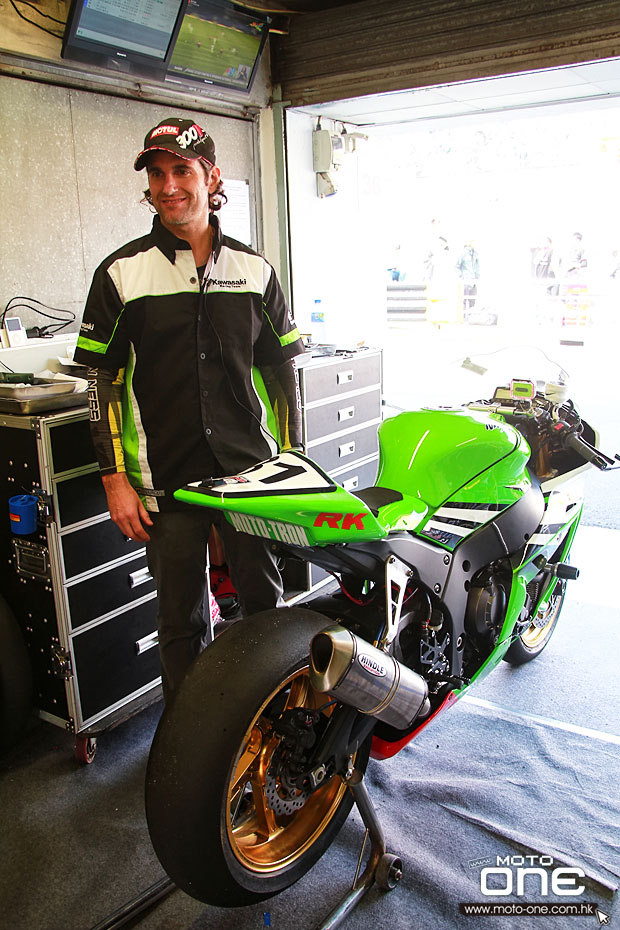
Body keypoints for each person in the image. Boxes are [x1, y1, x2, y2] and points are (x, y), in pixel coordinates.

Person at [74, 117, 305, 702]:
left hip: (252, 473)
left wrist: (295, 462)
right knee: (181, 621)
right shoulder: (121, 273)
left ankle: (273, 720)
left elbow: (283, 374)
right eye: (157, 174)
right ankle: (188, 732)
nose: (168, 185)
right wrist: (114, 480)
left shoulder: (255, 270)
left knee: (264, 605)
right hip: (165, 476)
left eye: (181, 170)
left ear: (212, 178)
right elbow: (101, 382)